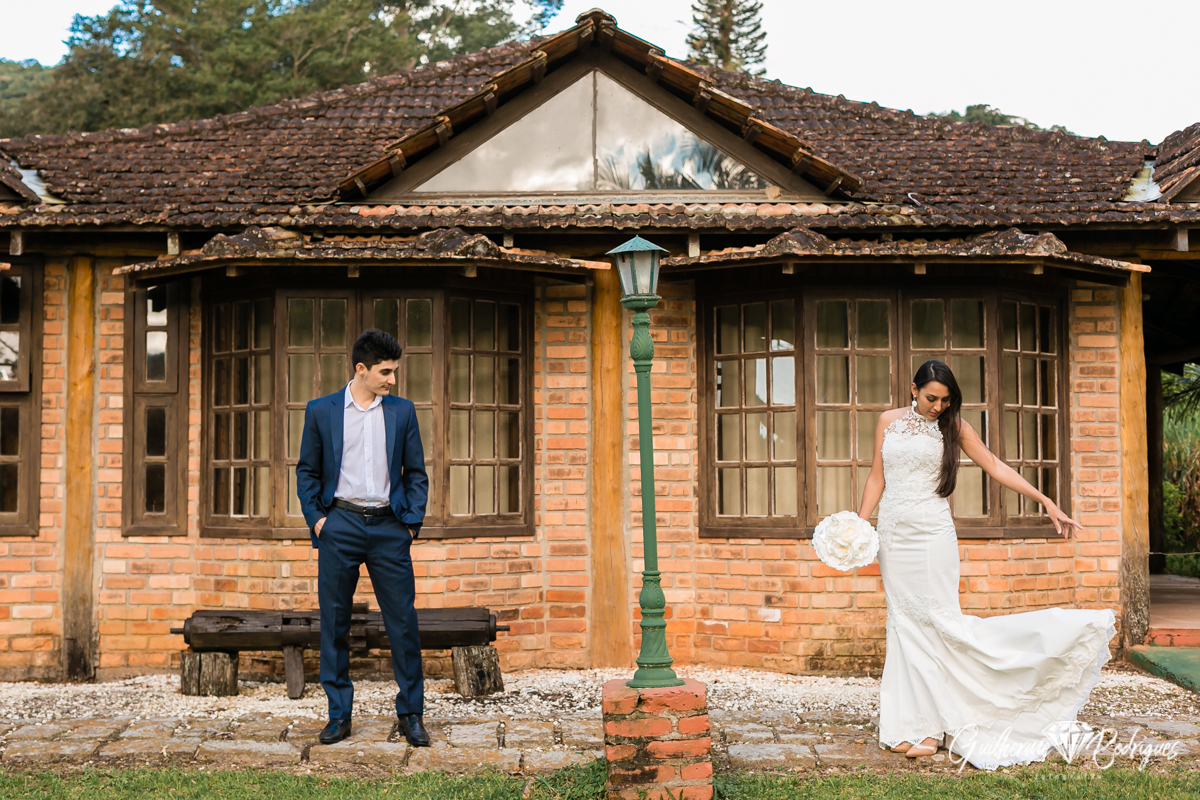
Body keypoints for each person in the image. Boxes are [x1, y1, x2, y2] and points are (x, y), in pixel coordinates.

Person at [856, 359, 1115, 769]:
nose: (937, 407)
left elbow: (994, 466)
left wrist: (1046, 502)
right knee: (903, 625)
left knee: (935, 623)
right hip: (893, 535)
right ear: (912, 388)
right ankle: (906, 723)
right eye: (930, 398)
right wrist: (860, 525)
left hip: (931, 536)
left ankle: (930, 728)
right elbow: (876, 478)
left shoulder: (955, 427)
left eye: (944, 400)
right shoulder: (887, 421)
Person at [296, 329, 430, 747]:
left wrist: (410, 525)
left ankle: (411, 714)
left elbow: (416, 474)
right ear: (361, 369)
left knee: (403, 624)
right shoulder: (321, 411)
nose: (392, 380)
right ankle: (339, 716)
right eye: (385, 372)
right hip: (341, 526)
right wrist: (319, 521)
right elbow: (307, 472)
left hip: (390, 528)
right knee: (334, 625)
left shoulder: (402, 412)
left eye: (393, 372)